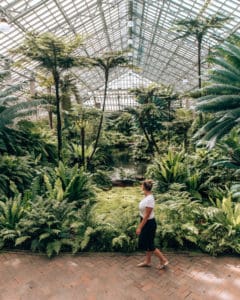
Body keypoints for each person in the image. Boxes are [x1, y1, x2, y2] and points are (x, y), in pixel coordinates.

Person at [136, 179, 169, 269]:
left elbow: (147, 216)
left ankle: (163, 260)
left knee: (150, 244)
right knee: (147, 243)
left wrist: (139, 227)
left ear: (144, 187)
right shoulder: (147, 196)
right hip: (145, 222)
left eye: (142, 185)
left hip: (149, 224)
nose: (140, 186)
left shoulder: (150, 199)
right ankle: (148, 261)